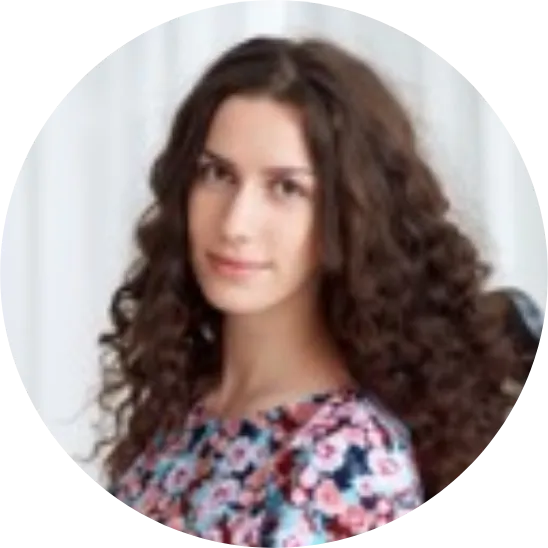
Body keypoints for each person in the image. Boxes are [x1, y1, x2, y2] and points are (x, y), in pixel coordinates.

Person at [91, 36, 527, 546]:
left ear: (351, 215)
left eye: (286, 188)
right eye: (217, 174)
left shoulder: (347, 465)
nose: (235, 223)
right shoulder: (186, 407)